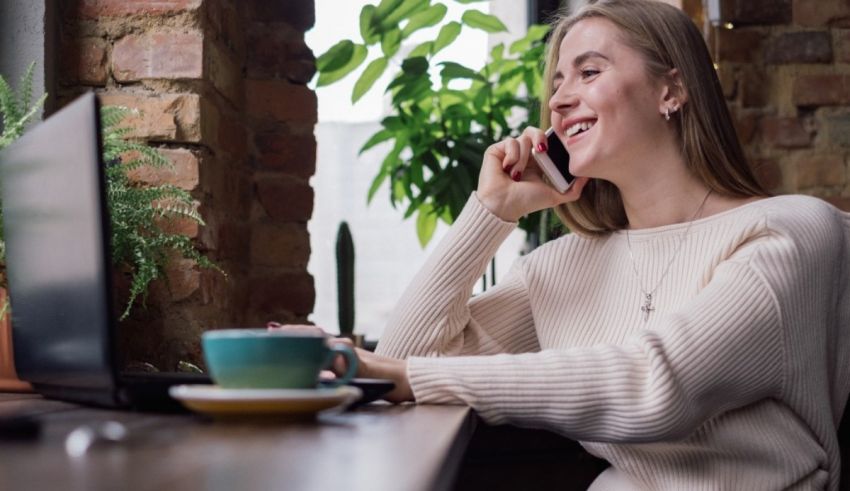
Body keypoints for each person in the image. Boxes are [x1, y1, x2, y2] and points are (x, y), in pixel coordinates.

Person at [272, 0, 850, 488]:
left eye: (589, 72)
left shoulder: (793, 231)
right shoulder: (560, 266)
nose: (559, 100)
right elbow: (408, 359)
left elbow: (657, 383)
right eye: (556, 83)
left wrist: (392, 372)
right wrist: (490, 213)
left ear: (670, 89)